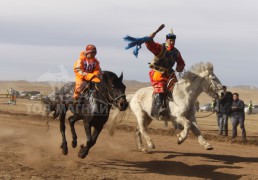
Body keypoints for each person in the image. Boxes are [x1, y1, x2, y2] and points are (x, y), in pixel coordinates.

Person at [145, 29, 185, 118]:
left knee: (177, 88)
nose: (172, 42)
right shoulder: (160, 47)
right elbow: (150, 46)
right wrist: (150, 39)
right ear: (166, 40)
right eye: (170, 40)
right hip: (158, 73)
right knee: (161, 87)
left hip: (170, 74)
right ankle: (157, 109)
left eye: (173, 40)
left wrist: (180, 67)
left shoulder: (176, 52)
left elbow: (181, 62)